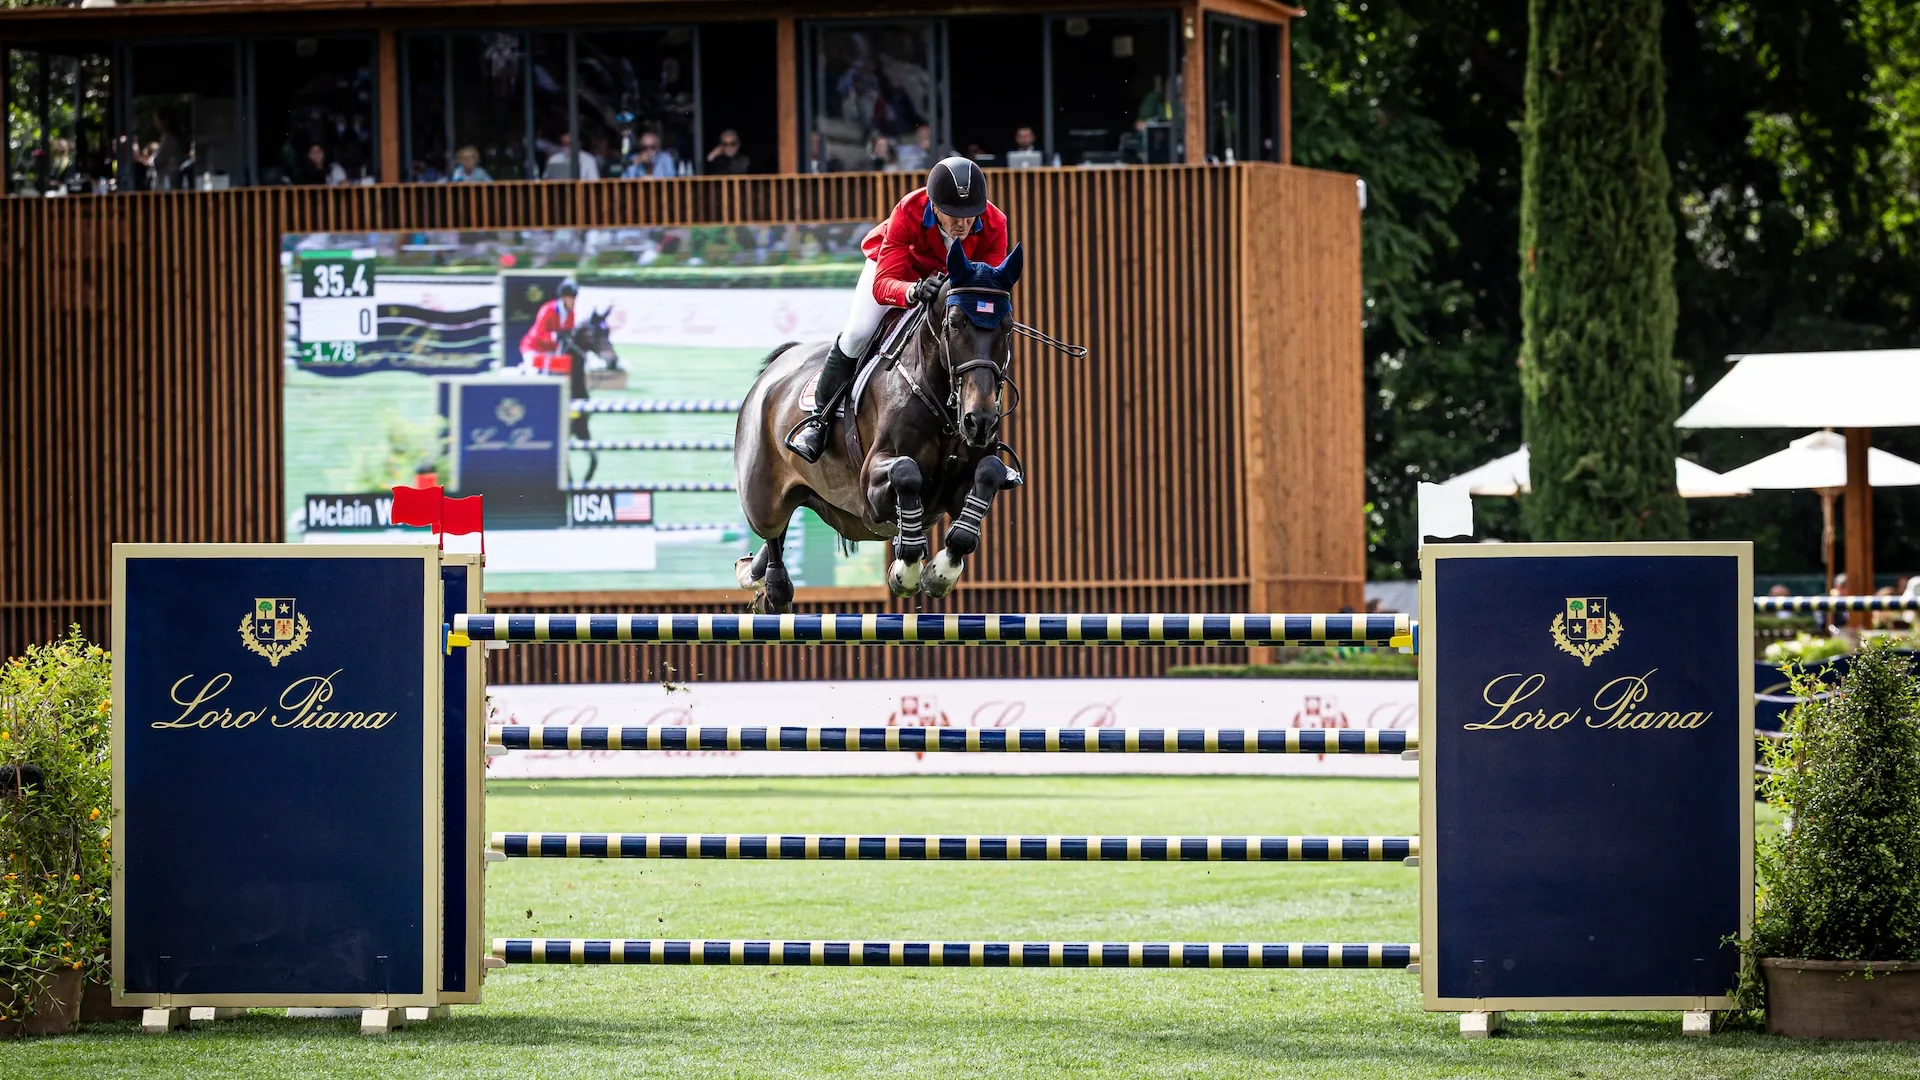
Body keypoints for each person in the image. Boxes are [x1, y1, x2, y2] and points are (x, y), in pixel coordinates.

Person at [785, 157, 1009, 462]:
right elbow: (884, 283)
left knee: (979, 343)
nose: (962, 224)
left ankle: (986, 436)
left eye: (970, 216)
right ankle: (818, 421)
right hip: (896, 272)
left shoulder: (995, 223)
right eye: (953, 215)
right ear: (933, 206)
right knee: (858, 333)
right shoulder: (909, 210)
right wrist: (913, 290)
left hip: (953, 286)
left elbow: (989, 286)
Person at [518, 279, 579, 376]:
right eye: (571, 298)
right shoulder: (548, 310)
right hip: (534, 348)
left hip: (550, 351)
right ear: (563, 298)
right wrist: (555, 336)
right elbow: (539, 335)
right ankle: (525, 369)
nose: (573, 301)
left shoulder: (571, 314)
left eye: (574, 298)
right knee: (535, 374)